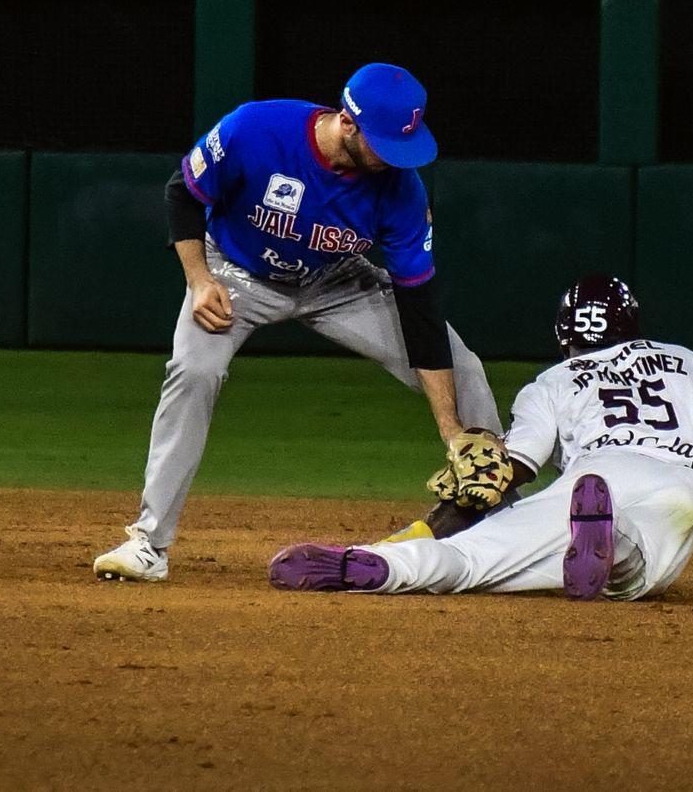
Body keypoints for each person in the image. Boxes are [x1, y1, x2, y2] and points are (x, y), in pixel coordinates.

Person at [94, 63, 502, 582]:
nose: (396, 160)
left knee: (463, 368)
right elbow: (183, 193)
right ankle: (149, 543)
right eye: (385, 144)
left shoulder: (402, 190)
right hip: (235, 273)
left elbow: (419, 303)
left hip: (337, 283)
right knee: (194, 372)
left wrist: (450, 426)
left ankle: (499, 524)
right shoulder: (256, 130)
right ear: (347, 124)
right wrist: (199, 279)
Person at [268, 275, 693, 602]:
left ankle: (382, 562)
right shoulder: (685, 361)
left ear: (564, 337)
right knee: (638, 575)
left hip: (593, 475)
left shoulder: (553, 383)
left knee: (475, 560)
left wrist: (439, 520)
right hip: (681, 485)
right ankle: (610, 541)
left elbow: (504, 474)